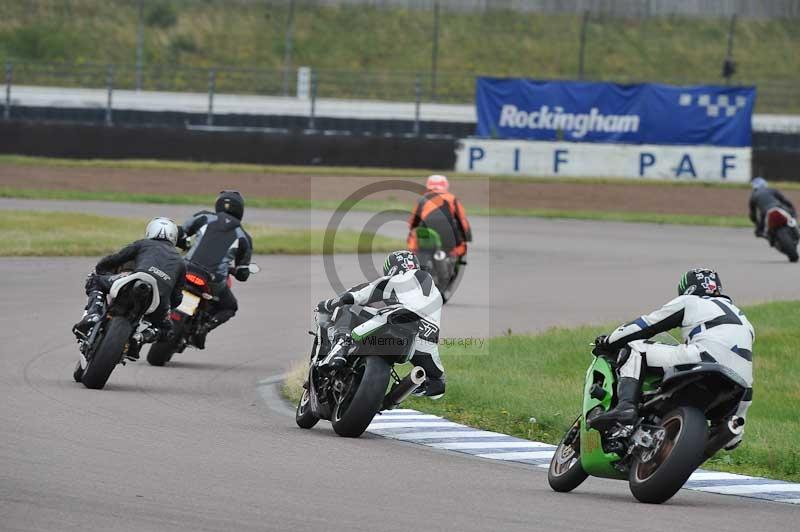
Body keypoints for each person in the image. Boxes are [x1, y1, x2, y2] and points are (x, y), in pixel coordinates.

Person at [590, 269, 753, 449]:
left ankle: (626, 406)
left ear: (687, 289)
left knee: (636, 348)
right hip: (740, 384)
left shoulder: (691, 301)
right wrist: (739, 421)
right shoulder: (743, 318)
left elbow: (646, 325)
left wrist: (609, 341)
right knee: (730, 439)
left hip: (702, 359)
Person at [316, 250, 446, 398]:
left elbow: (359, 294)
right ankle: (394, 397)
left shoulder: (399, 278)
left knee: (346, 309)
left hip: (397, 317)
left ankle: (341, 347)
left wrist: (330, 303)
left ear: (393, 268)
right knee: (437, 382)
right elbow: (439, 389)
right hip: (425, 339)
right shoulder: (435, 292)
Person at [72, 217, 186, 359]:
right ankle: (140, 337)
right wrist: (166, 305)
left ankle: (93, 315)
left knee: (94, 280)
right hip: (159, 298)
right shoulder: (181, 262)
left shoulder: (143, 244)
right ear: (174, 236)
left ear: (150, 231)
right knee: (167, 330)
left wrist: (102, 269)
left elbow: (116, 258)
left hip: (135, 281)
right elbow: (177, 298)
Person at [179, 190, 253, 349]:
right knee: (230, 306)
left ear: (218, 204)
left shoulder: (204, 217)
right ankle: (203, 329)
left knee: (166, 281)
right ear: (240, 210)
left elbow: (180, 232)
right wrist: (238, 272)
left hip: (186, 269)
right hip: (214, 279)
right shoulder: (244, 237)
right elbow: (243, 273)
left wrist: (183, 243)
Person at [407, 175, 472, 259]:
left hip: (426, 233)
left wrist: (413, 230)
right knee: (460, 246)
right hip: (447, 233)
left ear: (428, 185)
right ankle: (452, 258)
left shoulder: (422, 199)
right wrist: (467, 236)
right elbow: (462, 220)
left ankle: (415, 259)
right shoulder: (451, 198)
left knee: (416, 244)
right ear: (445, 185)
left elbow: (413, 222)